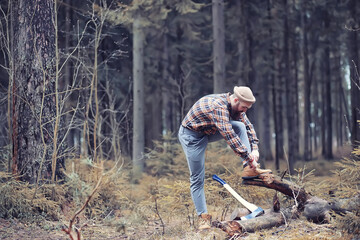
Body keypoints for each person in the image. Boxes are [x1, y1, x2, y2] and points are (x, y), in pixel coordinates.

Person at [178, 86, 272, 230]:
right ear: (235, 99)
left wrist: (254, 150)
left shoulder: (237, 106)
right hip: (191, 136)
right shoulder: (218, 106)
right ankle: (203, 219)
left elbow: (248, 126)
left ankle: (248, 169)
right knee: (197, 178)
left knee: (240, 125)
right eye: (244, 107)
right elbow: (229, 135)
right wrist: (248, 157)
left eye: (247, 108)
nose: (245, 111)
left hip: (209, 130)